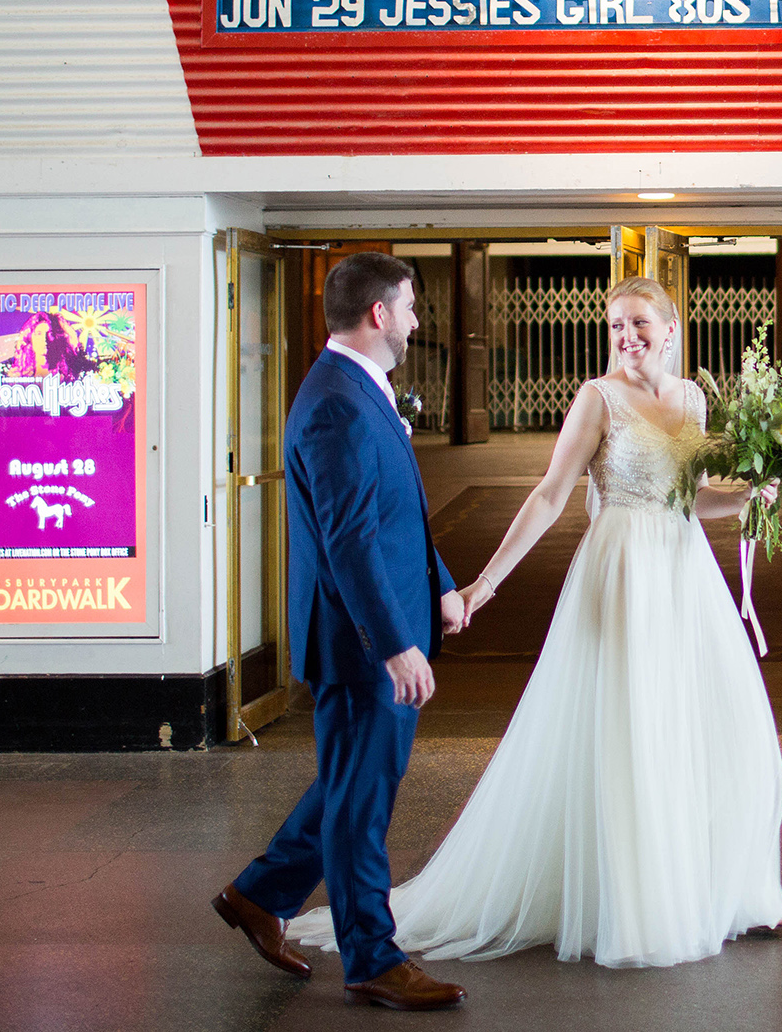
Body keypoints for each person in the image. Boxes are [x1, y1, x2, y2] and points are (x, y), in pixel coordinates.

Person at [289, 275, 782, 969]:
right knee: (635, 730)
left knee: (715, 724)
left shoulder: (692, 399)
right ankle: (639, 903)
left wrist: (747, 495)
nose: (627, 335)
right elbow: (551, 495)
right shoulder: (597, 398)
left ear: (671, 330)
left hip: (684, 576)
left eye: (640, 322)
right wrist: (482, 585)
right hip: (620, 577)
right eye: (616, 324)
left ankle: (724, 888)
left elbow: (688, 499)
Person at [212, 252, 470, 1012]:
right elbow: (349, 538)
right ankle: (372, 958)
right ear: (380, 315)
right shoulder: (335, 403)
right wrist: (395, 644)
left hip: (379, 628)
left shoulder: (358, 389)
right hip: (362, 644)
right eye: (412, 308)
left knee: (350, 783)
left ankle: (259, 894)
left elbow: (394, 512)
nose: (419, 322)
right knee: (363, 799)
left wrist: (443, 584)